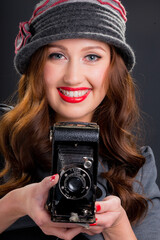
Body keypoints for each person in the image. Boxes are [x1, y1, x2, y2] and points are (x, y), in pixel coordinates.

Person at [0, 0, 160, 239]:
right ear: (37, 65)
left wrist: (116, 224)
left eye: (92, 56)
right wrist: (16, 203)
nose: (73, 77)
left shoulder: (138, 168)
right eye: (57, 55)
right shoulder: (2, 137)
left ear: (114, 69)